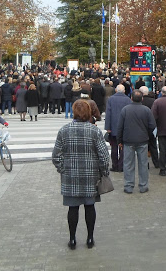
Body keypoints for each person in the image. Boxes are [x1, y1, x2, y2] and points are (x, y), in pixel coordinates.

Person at [52, 100, 110, 250]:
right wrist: (103, 172)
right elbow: (104, 156)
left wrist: (63, 169)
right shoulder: (94, 131)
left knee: (73, 208)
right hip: (91, 175)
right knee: (90, 207)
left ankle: (72, 239)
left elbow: (56, 155)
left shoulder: (64, 130)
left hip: (70, 176)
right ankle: (90, 238)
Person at [117, 90, 156, 194]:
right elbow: (152, 126)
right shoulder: (146, 110)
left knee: (128, 164)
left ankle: (128, 186)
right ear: (142, 99)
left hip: (128, 140)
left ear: (131, 98)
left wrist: (119, 140)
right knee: (143, 164)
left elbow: (120, 126)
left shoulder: (125, 110)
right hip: (142, 140)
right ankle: (143, 185)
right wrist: (148, 134)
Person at [105, 84, 131, 172]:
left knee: (114, 148)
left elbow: (108, 114)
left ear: (116, 90)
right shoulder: (128, 100)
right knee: (123, 148)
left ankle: (115, 165)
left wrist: (108, 127)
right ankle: (121, 166)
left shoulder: (111, 99)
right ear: (124, 91)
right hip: (124, 127)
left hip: (113, 127)